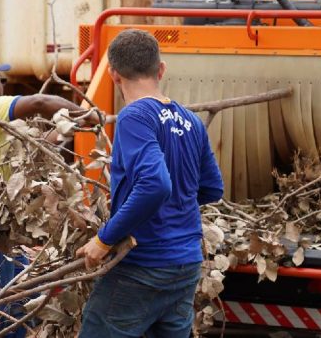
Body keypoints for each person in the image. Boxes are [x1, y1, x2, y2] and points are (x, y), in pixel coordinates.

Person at [77, 29, 224, 337]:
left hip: (144, 265)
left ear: (115, 76)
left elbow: (155, 185)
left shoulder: (135, 116)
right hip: (185, 265)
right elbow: (212, 188)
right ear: (161, 69)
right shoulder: (191, 120)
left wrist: (104, 240)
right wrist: (173, 207)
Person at [0, 53, 92, 336]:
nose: (2, 86)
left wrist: (64, 130)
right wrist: (86, 114)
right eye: (0, 80)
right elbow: (40, 102)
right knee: (7, 304)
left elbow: (27, 149)